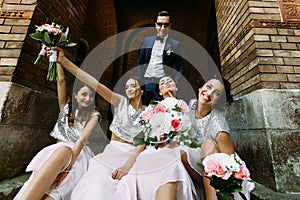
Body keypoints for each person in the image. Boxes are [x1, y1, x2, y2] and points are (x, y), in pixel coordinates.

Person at [47, 47, 146, 199]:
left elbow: (142, 142)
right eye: (126, 86)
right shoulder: (120, 102)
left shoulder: (150, 112)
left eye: (133, 85)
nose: (129, 89)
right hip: (112, 151)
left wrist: (127, 166)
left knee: (125, 188)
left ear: (142, 90)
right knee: (97, 185)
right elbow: (96, 85)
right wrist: (64, 62)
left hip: (132, 156)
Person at [14, 63, 101, 200]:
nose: (88, 99)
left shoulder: (94, 115)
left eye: (91, 96)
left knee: (56, 191)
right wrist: (56, 59)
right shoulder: (65, 107)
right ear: (75, 95)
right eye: (84, 94)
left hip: (78, 155)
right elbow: (60, 80)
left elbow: (81, 140)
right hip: (57, 150)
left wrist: (69, 167)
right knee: (39, 185)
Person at [121, 76, 196, 200]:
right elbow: (145, 135)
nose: (166, 83)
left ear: (176, 87)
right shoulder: (153, 108)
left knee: (168, 164)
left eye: (170, 81)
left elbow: (190, 130)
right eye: (162, 82)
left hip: (177, 146)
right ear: (160, 91)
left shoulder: (186, 106)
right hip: (156, 147)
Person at [188, 77, 253, 200]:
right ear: (200, 88)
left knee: (208, 145)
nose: (209, 93)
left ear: (218, 101)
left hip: (222, 168)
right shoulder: (191, 106)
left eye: (217, 93)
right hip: (198, 162)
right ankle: (203, 186)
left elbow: (230, 160)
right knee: (180, 151)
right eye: (208, 87)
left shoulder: (218, 125)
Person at [136, 10, 185, 105]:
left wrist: (175, 82)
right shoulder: (147, 41)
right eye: (160, 24)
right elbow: (140, 62)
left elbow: (181, 67)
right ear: (155, 25)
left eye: (166, 25)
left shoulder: (175, 44)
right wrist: (139, 79)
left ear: (170, 26)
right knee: (141, 111)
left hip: (162, 84)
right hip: (145, 82)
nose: (162, 28)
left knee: (165, 110)